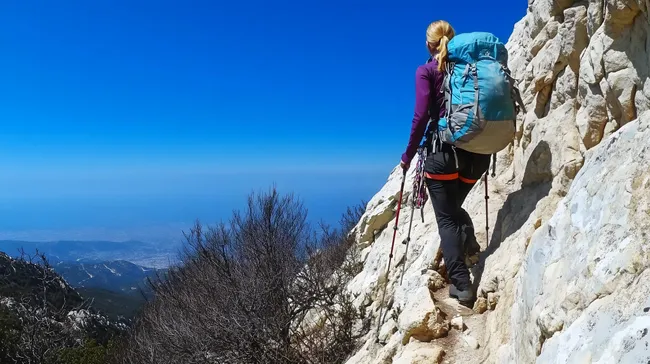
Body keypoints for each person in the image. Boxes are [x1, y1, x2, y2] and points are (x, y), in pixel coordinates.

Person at [400, 20, 490, 307]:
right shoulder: (470, 70)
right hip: (477, 154)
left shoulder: (427, 71)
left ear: (428, 44)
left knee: (447, 219)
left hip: (442, 156)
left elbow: (421, 117)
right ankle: (468, 240)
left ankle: (462, 285)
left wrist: (407, 155)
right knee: (454, 208)